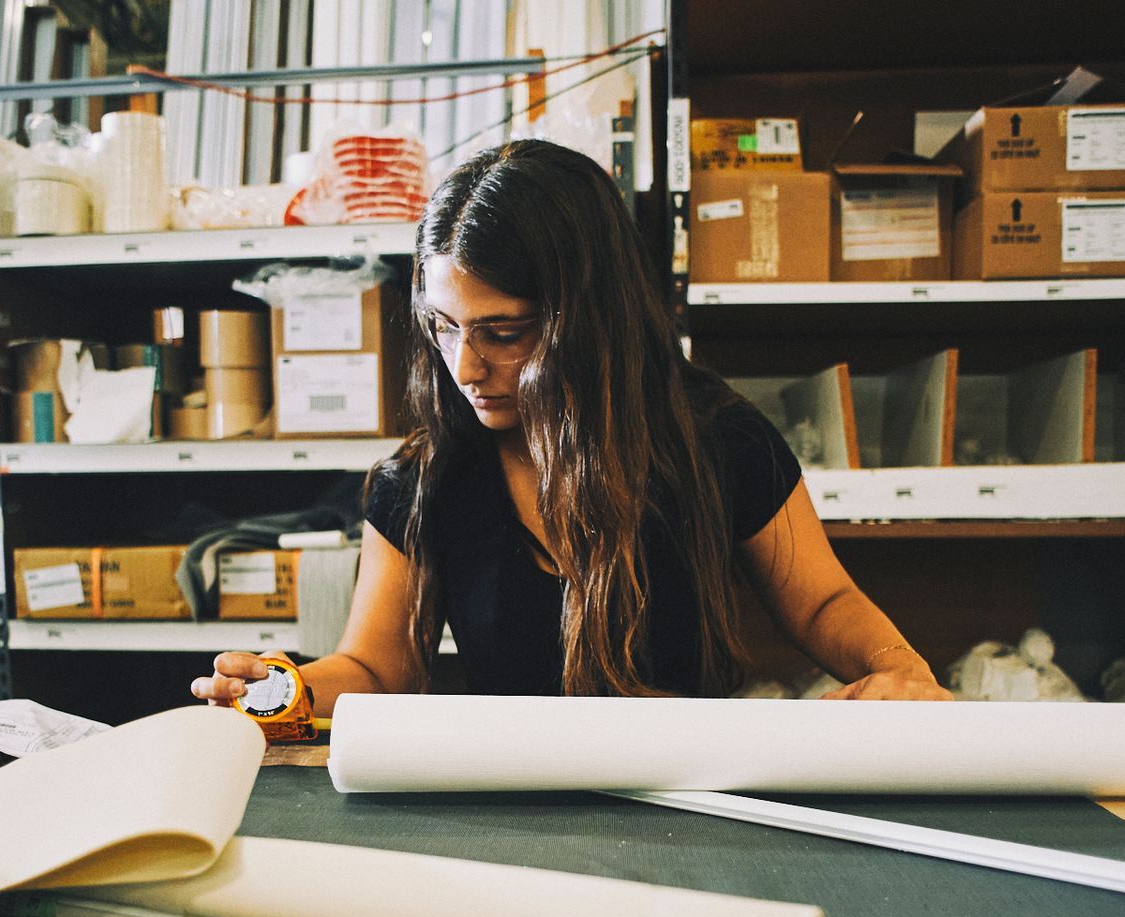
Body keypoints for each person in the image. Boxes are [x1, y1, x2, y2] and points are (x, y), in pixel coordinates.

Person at [192, 139, 949, 710]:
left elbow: (819, 602)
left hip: (696, 802)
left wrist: (898, 666)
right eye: (444, 327)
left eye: (504, 332)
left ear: (588, 319)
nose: (464, 367)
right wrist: (281, 693)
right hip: (517, 812)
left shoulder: (717, 439)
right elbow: (373, 666)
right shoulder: (424, 478)